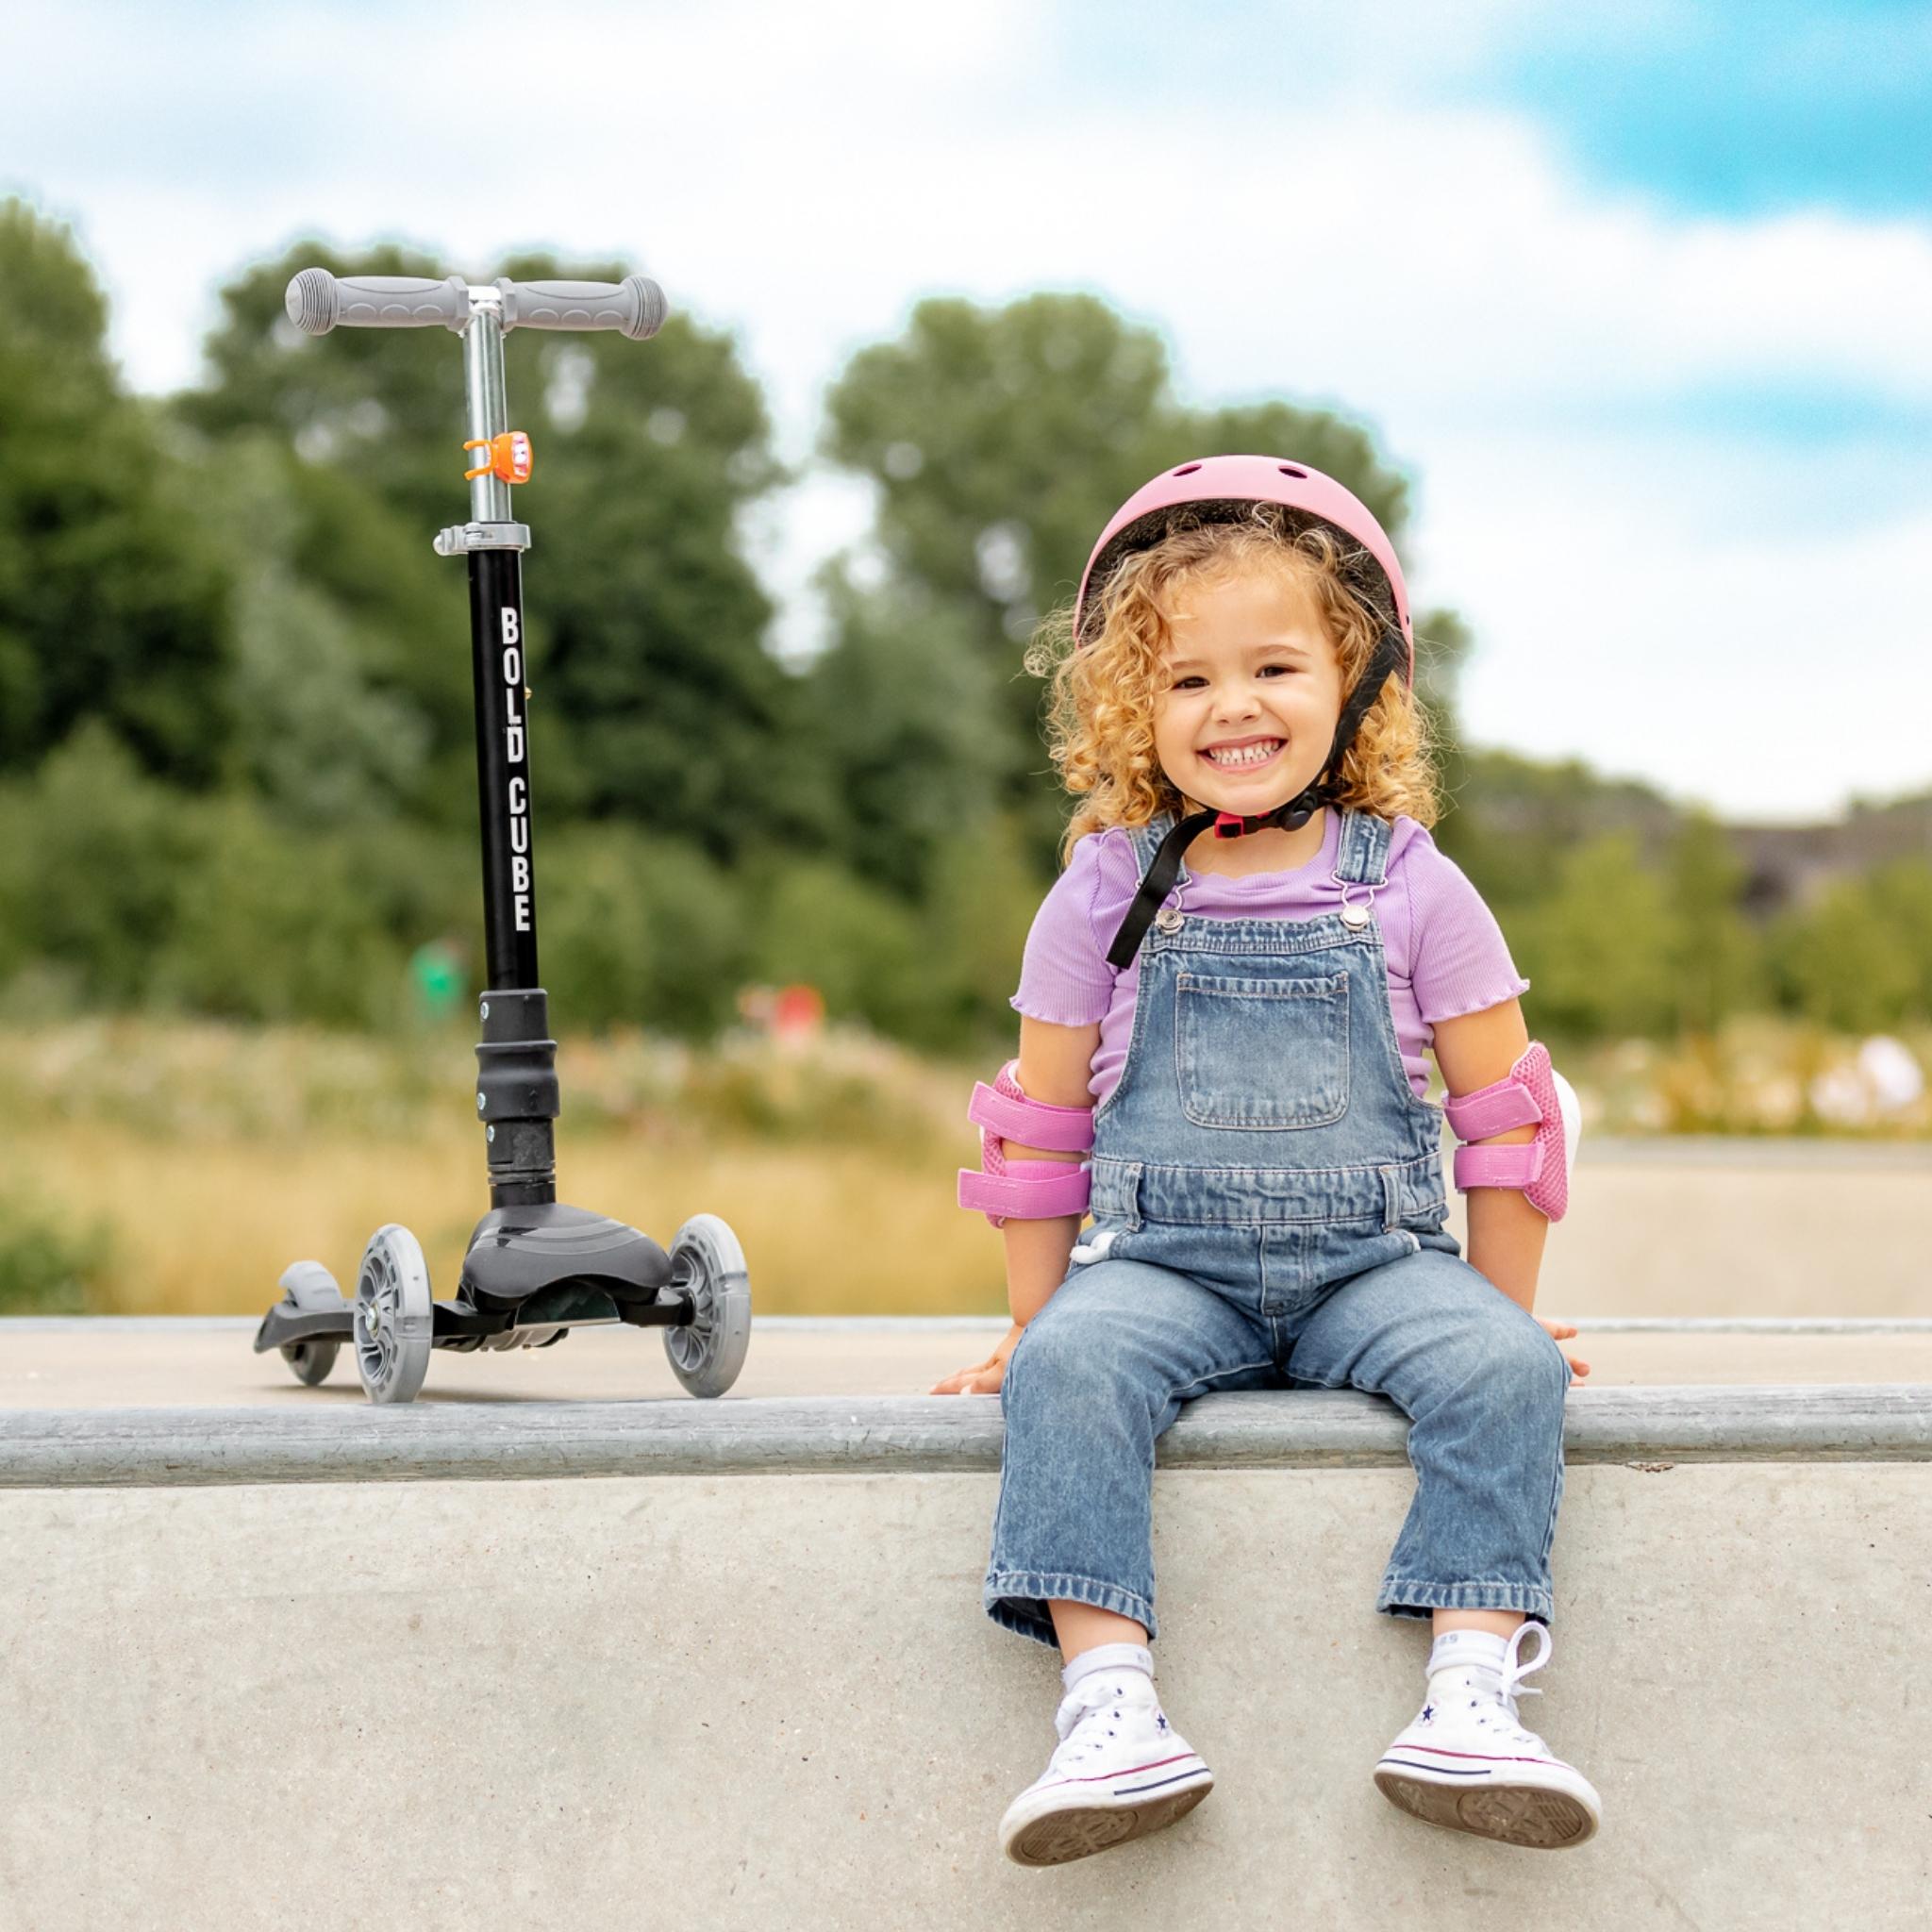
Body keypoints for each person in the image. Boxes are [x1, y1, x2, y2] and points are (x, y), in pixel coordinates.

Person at [933, 456, 1601, 1867]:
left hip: (1377, 1264)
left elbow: (1508, 1123)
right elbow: (1039, 1134)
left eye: (1277, 667)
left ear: (1359, 683)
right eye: (1186, 682)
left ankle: (1471, 1693)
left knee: (1508, 1374)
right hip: (1166, 1267)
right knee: (1069, 1369)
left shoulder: (1411, 879)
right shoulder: (1105, 889)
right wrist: (1027, 1318)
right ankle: (1110, 1707)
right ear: (1135, 708)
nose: (1232, 708)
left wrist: (1507, 1304)